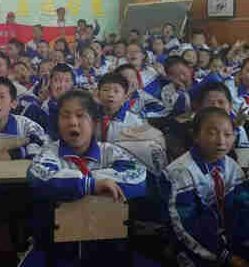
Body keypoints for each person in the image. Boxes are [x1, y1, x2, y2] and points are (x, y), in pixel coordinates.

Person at [19, 90, 146, 266]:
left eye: (80, 116)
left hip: (107, 245)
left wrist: (89, 181)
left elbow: (138, 178)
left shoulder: (110, 151)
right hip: (55, 248)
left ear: (94, 123)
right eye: (65, 116)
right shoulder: (49, 152)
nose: (73, 122)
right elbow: (39, 178)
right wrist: (92, 185)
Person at [161, 107, 249, 267]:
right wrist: (226, 256)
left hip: (226, 239)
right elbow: (187, 226)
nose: (221, 141)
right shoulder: (181, 172)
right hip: (190, 245)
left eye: (227, 134)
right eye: (212, 133)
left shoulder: (231, 166)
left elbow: (244, 206)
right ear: (195, 136)